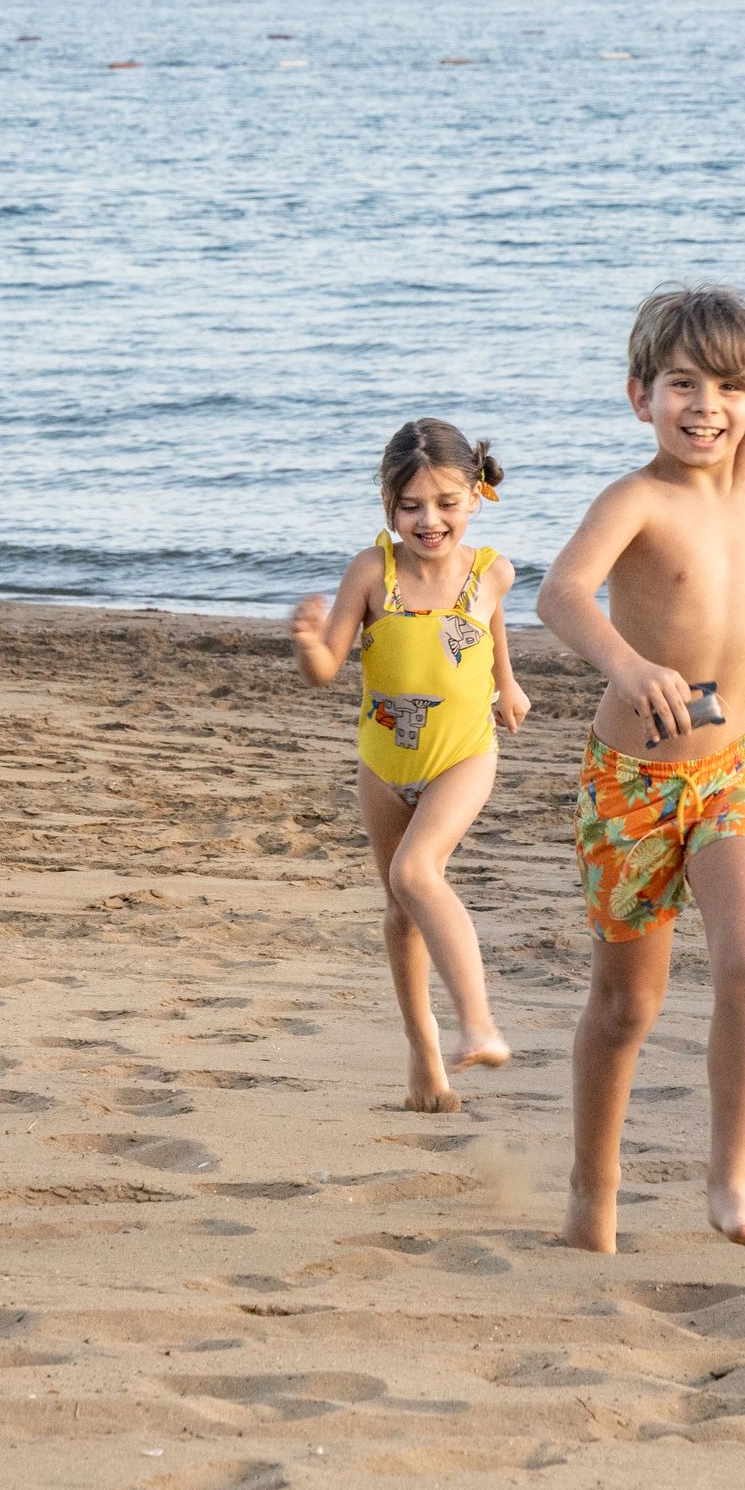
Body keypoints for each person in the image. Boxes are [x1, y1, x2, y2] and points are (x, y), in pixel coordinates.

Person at [536, 130, 745, 1251]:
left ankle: (730, 1181)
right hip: (630, 783)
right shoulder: (636, 500)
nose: (704, 407)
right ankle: (593, 1190)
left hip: (734, 775)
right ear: (639, 396)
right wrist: (628, 661)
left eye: (726, 388)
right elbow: (562, 596)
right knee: (626, 1009)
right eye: (680, 386)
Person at [292, 420, 529, 1112]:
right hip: (383, 762)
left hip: (463, 753)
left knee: (416, 872)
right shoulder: (374, 573)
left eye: (447, 503)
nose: (430, 520)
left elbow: (490, 630)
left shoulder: (492, 571)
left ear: (474, 499)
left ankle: (477, 1021)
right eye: (412, 506)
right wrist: (310, 645)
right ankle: (424, 1055)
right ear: (389, 507)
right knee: (400, 909)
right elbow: (328, 668)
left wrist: (507, 684)